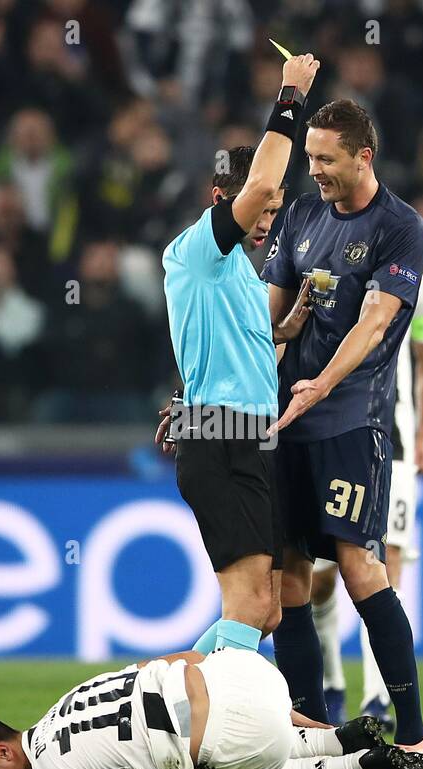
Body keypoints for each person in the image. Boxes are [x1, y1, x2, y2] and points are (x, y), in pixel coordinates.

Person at [260, 99, 423, 769]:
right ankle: (312, 737)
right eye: (309, 159)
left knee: (360, 565)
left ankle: (417, 735)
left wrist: (317, 383)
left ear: (364, 155)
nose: (315, 171)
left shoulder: (401, 229)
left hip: (351, 424)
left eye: (326, 159)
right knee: (287, 575)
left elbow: (373, 326)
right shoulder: (301, 218)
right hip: (288, 423)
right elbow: (269, 317)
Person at [158, 51, 320, 657]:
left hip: (249, 437)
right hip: (221, 439)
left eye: (277, 214)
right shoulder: (197, 251)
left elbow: (232, 348)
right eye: (263, 208)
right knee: (249, 606)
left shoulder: (242, 281)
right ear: (222, 196)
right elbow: (260, 183)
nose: (268, 223)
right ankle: (165, 706)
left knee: (268, 611)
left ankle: (174, 692)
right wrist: (290, 97)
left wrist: (284, 330)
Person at [0, 648, 423, 769]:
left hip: (246, 742)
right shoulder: (64, 700)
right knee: (201, 697)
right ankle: (334, 735)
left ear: (2, 752)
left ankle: (361, 764)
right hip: (251, 673)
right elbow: (174, 658)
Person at [312, 262, 423, 728]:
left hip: (395, 443)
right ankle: (331, 682)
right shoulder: (320, 259)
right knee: (320, 576)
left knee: (382, 562)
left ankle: (378, 700)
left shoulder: (417, 275)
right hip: (326, 435)